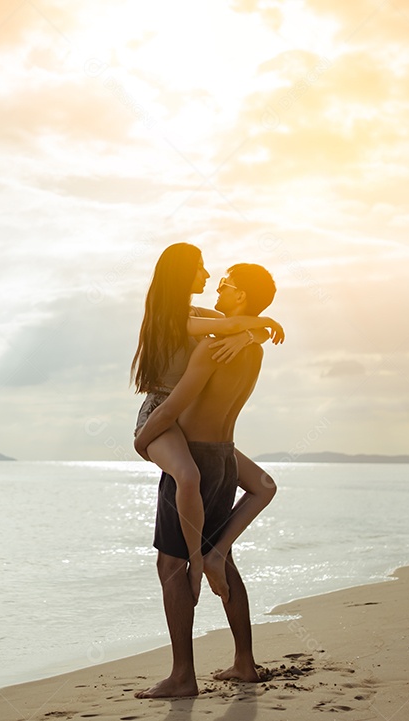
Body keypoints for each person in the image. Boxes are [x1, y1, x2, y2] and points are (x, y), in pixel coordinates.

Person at [132, 262, 279, 698]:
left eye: (228, 285)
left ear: (243, 299)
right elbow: (247, 330)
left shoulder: (210, 349)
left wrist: (142, 441)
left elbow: (174, 406)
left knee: (174, 566)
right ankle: (244, 663)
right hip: (225, 461)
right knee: (223, 558)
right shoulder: (250, 348)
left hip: (194, 457)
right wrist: (256, 330)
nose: (218, 286)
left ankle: (182, 676)